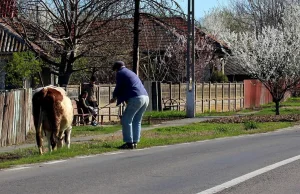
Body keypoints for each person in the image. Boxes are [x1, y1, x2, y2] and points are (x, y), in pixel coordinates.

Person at [110, 61, 149, 149]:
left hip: (136, 98)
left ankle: (128, 142)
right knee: (137, 120)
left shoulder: (120, 73)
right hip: (145, 97)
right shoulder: (130, 72)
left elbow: (119, 86)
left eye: (115, 70)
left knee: (126, 120)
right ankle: (135, 141)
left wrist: (114, 97)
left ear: (117, 68)